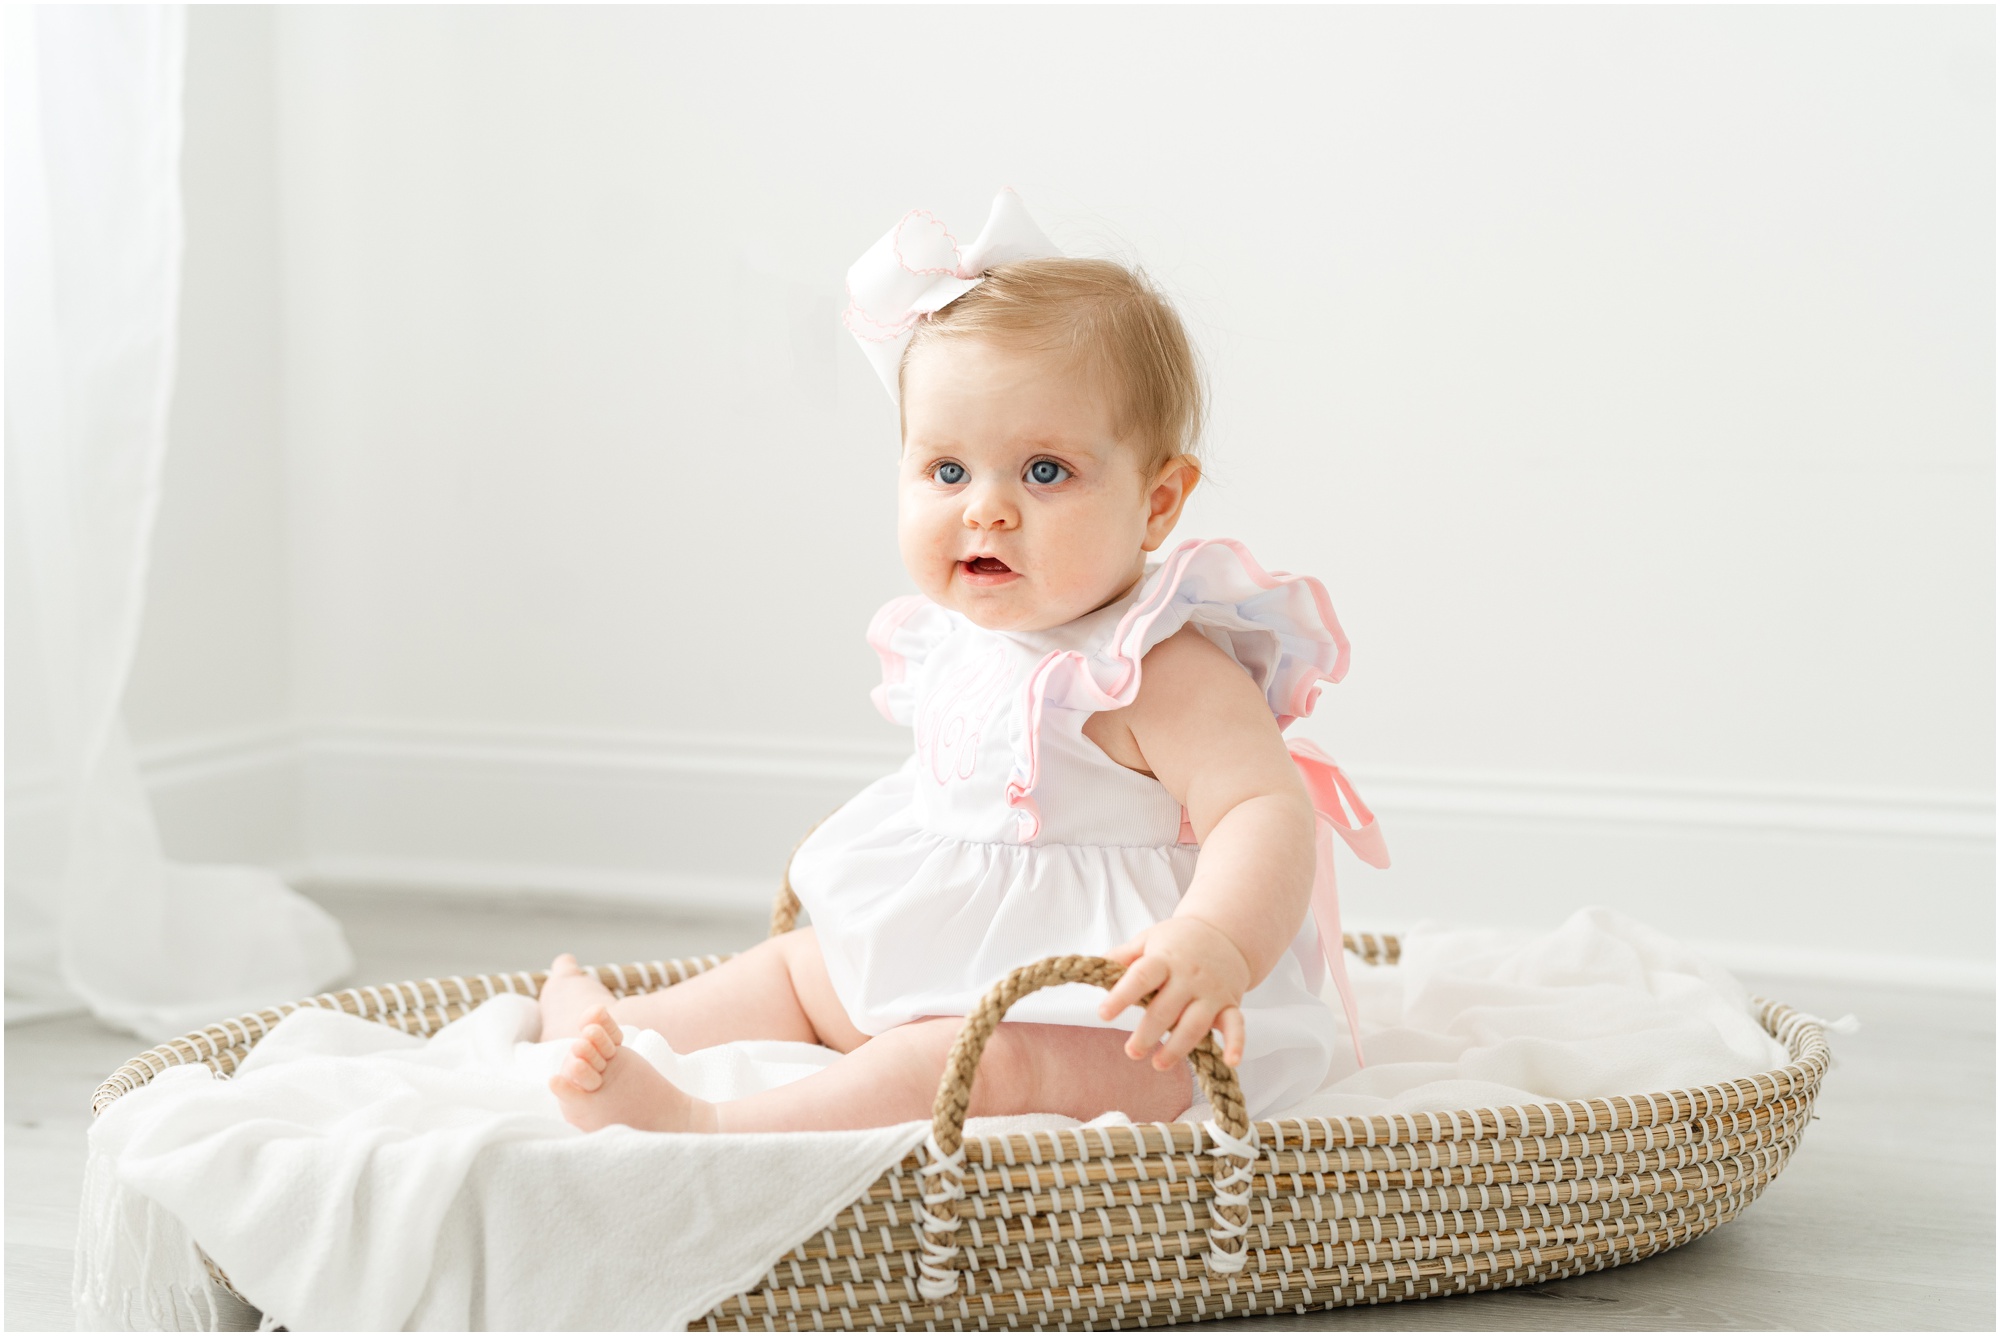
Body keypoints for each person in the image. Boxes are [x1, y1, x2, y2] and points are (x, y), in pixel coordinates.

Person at [536, 191, 1386, 1134]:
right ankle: (616, 1027)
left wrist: (1215, 942)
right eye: (948, 472)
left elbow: (1265, 811)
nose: (985, 509)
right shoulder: (958, 638)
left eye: (1045, 471)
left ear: (1157, 503)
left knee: (958, 1060)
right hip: (959, 953)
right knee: (801, 968)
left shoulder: (1161, 668)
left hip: (1125, 1020)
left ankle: (711, 1129)